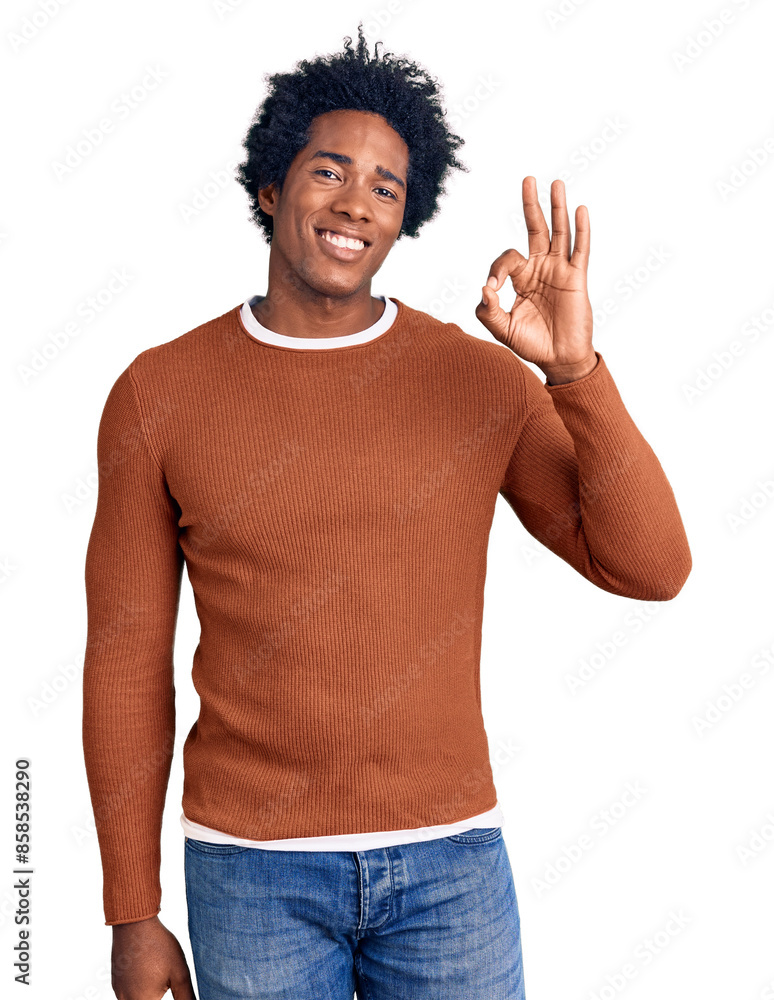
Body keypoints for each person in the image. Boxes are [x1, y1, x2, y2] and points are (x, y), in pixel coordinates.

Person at [82, 23, 692, 1000]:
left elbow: (652, 567)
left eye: (386, 187)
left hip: (452, 868)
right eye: (329, 170)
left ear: (406, 218)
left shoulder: (477, 381)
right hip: (251, 874)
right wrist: (131, 909)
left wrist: (574, 372)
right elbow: (124, 658)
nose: (354, 203)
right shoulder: (160, 394)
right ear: (270, 187)